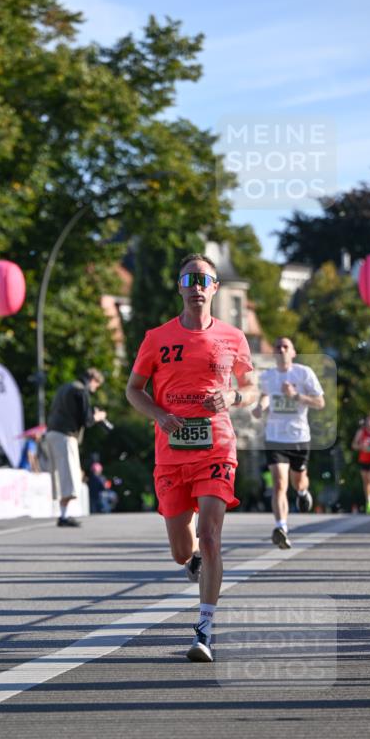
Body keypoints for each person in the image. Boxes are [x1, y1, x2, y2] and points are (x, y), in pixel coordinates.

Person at [126, 252, 257, 662]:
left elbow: (251, 389)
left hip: (217, 446)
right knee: (183, 550)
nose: (196, 287)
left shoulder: (234, 338)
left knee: (212, 535)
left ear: (215, 288)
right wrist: (159, 414)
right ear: (179, 288)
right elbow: (134, 389)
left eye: (204, 280)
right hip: (171, 454)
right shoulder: (156, 338)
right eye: (188, 280)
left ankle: (204, 629)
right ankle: (194, 559)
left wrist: (234, 395)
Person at [252, 337, 325, 549]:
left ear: (293, 352)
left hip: (299, 437)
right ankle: (281, 526)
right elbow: (266, 396)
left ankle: (302, 493)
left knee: (298, 481)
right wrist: (260, 407)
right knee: (279, 483)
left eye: (286, 347)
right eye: (278, 347)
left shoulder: (304, 373)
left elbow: (320, 402)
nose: (282, 350)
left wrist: (296, 396)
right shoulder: (267, 376)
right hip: (275, 437)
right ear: (274, 353)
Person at [46, 367, 108, 527]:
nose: (94, 389)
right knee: (70, 476)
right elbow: (87, 420)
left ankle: (64, 514)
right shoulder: (81, 391)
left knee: (61, 476)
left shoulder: (65, 387)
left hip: (52, 433)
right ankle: (64, 516)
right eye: (96, 385)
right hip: (65, 436)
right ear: (92, 380)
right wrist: (99, 416)